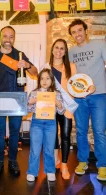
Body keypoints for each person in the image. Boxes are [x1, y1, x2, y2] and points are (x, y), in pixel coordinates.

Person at [0, 26, 38, 177]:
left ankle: (13, 160)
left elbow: (35, 73)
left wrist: (27, 65)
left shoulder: (20, 55)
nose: (8, 39)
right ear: (0, 37)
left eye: (11, 36)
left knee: (15, 132)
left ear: (14, 38)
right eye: (5, 36)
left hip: (17, 100)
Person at [68, 19, 106, 181]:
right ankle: (83, 161)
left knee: (99, 131)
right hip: (80, 98)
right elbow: (73, 76)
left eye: (79, 30)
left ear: (85, 30)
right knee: (81, 131)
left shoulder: (100, 45)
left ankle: (102, 165)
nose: (77, 34)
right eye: (74, 32)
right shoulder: (71, 51)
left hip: (99, 96)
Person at [43, 39, 77, 180]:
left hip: (66, 106)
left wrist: (88, 88)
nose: (59, 51)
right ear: (52, 50)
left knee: (65, 135)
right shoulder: (46, 66)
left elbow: (76, 86)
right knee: (52, 135)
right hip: (51, 106)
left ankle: (64, 165)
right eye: (56, 47)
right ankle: (56, 160)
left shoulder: (71, 67)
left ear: (65, 52)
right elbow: (43, 86)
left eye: (62, 48)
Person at [26, 68, 65, 182]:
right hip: (36, 122)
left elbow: (61, 112)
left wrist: (60, 105)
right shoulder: (34, 93)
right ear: (39, 80)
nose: (44, 81)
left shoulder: (56, 94)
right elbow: (27, 109)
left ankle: (50, 171)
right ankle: (32, 172)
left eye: (47, 78)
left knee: (49, 148)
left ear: (52, 81)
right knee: (35, 148)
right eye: (42, 78)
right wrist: (30, 103)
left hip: (51, 123)